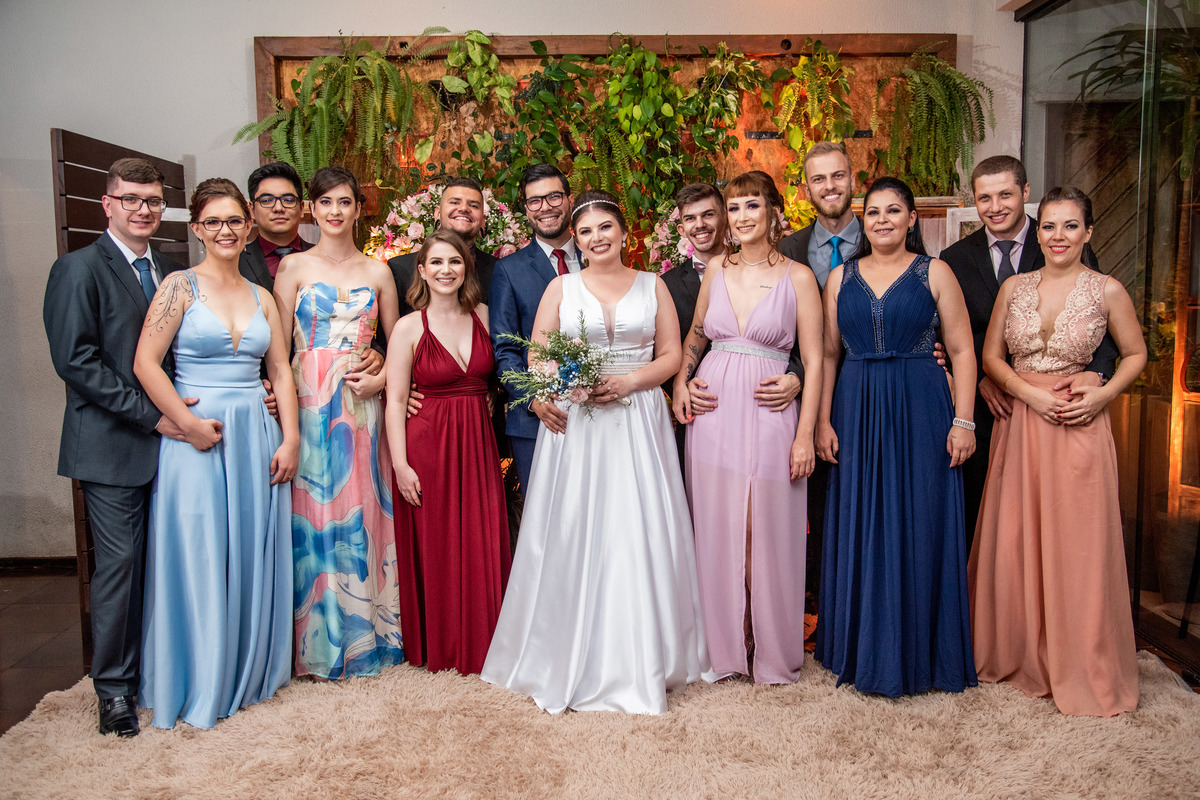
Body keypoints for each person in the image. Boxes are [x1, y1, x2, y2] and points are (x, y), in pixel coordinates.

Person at [481, 190, 710, 714]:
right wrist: (562, 386)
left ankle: (646, 654)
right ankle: (565, 649)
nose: (596, 238)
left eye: (605, 227)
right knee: (577, 525)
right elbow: (538, 354)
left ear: (624, 232)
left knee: (636, 525)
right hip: (578, 422)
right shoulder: (560, 288)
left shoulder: (653, 285)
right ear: (576, 240)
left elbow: (671, 355)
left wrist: (628, 382)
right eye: (585, 231)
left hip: (638, 419)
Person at [969, 187, 1145, 716]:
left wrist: (1103, 393)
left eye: (1070, 226)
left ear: (1088, 232)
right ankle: (1019, 653)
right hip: (1022, 425)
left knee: (1078, 545)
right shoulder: (1014, 287)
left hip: (1078, 425)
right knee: (1015, 539)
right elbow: (991, 358)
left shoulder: (1107, 290)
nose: (1058, 236)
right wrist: (1029, 396)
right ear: (1037, 231)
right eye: (1048, 226)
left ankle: (1080, 660)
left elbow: (1135, 354)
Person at [133, 179, 298, 729]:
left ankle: (245, 667)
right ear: (197, 229)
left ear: (248, 227)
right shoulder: (178, 286)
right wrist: (186, 425)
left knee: (248, 547)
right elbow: (146, 363)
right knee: (199, 549)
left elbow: (280, 370)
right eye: (213, 222)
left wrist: (291, 438)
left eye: (234, 221)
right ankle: (199, 675)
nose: (225, 231)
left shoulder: (262, 296)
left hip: (255, 433)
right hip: (195, 437)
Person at [815, 176, 978, 697]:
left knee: (921, 516)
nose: (883, 219)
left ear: (911, 219)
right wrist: (822, 420)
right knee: (861, 517)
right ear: (864, 221)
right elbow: (828, 355)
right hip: (856, 406)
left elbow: (962, 351)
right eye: (874, 211)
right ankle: (860, 647)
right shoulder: (839, 278)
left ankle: (921, 652)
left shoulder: (936, 271)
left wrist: (964, 420)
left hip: (921, 405)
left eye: (893, 211)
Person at [44, 157, 189, 737]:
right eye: (130, 198)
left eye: (152, 200)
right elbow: (75, 363)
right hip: (112, 444)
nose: (142, 209)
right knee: (121, 568)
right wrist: (154, 418)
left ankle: (162, 669)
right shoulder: (77, 269)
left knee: (167, 560)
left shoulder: (173, 270)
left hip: (176, 441)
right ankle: (114, 692)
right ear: (107, 204)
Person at [672, 171, 824, 684]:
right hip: (713, 412)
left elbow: (815, 360)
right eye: (733, 208)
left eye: (751, 206)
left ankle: (768, 643)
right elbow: (696, 334)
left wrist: (804, 433)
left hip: (770, 411)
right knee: (718, 525)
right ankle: (726, 644)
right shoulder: (717, 267)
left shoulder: (799, 277)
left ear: (774, 212)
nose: (741, 217)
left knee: (764, 526)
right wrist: (681, 383)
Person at [940, 156, 1118, 544]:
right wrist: (980, 379)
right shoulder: (954, 258)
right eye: (984, 198)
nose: (995, 207)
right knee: (987, 516)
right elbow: (950, 332)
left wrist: (1098, 375)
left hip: (1057, 406)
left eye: (1005, 195)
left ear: (1025, 192)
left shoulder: (1059, 237)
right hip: (982, 406)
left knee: (1056, 517)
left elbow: (1098, 320)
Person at [273, 166, 404, 678]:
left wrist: (381, 372)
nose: (334, 211)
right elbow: (276, 350)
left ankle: (371, 639)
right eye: (325, 202)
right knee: (311, 512)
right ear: (312, 208)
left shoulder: (379, 271)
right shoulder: (293, 267)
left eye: (344, 202)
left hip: (361, 404)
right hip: (307, 401)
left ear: (358, 209)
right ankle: (317, 645)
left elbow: (399, 343)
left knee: (364, 511)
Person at [386, 230, 512, 675]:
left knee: (481, 536)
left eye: (454, 262)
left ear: (466, 268)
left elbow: (503, 371)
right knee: (437, 543)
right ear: (421, 270)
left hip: (478, 444)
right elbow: (395, 400)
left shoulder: (485, 315)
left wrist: (492, 393)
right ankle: (442, 644)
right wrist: (400, 465)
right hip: (427, 446)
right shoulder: (408, 327)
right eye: (436, 262)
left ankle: (486, 640)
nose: (446, 270)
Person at [778, 141, 862, 599]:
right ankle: (819, 602)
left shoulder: (885, 234)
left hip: (872, 386)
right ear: (806, 189)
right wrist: (795, 375)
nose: (830, 186)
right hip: (807, 391)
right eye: (819, 179)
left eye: (837, 175)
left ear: (854, 180)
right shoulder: (786, 249)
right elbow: (780, 330)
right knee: (814, 503)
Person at [489, 164, 578, 495]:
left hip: (599, 413)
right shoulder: (508, 270)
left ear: (569, 199)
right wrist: (533, 400)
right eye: (534, 201)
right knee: (543, 517)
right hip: (537, 421)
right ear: (526, 209)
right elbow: (505, 350)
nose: (545, 207)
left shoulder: (598, 254)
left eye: (553, 196)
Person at [388, 177, 498, 318]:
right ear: (437, 213)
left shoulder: (498, 270)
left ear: (483, 220)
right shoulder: (400, 269)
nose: (464, 208)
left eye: (474, 205)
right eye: (454, 202)